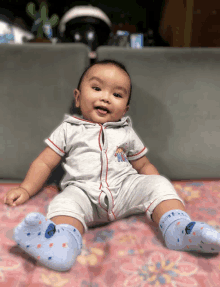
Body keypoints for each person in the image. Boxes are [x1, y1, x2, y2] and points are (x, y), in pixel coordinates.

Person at [4, 59, 220, 272]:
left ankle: (177, 228)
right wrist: (26, 188)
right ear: (78, 98)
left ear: (125, 109)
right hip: (83, 193)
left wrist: (160, 193)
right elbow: (44, 162)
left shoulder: (125, 131)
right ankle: (63, 245)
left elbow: (143, 165)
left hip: (124, 190)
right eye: (97, 88)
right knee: (64, 202)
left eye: (117, 94)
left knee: (158, 183)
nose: (106, 98)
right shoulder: (69, 129)